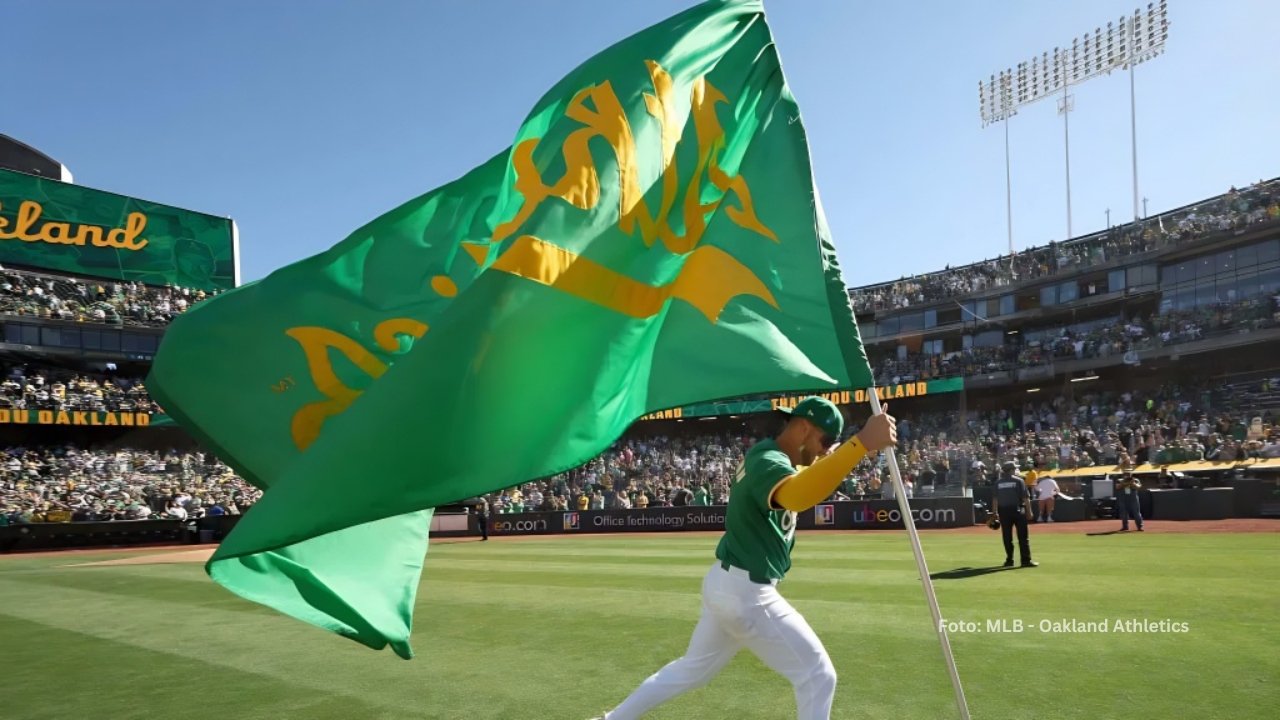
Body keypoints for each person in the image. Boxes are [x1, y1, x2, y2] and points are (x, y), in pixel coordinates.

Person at [591, 397, 897, 720]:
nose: (825, 449)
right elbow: (797, 494)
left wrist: (856, 449)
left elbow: (814, 469)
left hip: (725, 583)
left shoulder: (779, 458)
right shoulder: (768, 458)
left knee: (690, 671)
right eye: (825, 441)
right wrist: (860, 444)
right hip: (748, 593)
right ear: (804, 428)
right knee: (819, 676)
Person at [993, 461, 1037, 568]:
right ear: (1012, 470)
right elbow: (1025, 498)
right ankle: (1025, 560)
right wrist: (1029, 511)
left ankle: (1009, 560)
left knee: (1007, 537)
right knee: (1023, 537)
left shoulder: (998, 483)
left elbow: (995, 499)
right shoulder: (1019, 481)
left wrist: (995, 513)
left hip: (1004, 512)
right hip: (1018, 511)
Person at [1115, 467, 1144, 531]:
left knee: (1136, 513)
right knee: (1124, 513)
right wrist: (1125, 483)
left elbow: (1138, 487)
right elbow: (1117, 487)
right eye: (1126, 473)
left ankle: (1140, 526)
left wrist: (1132, 483)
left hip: (1133, 499)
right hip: (1123, 499)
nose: (1128, 475)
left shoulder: (1135, 480)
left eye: (1129, 473)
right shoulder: (1119, 480)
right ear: (1123, 474)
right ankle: (1125, 526)